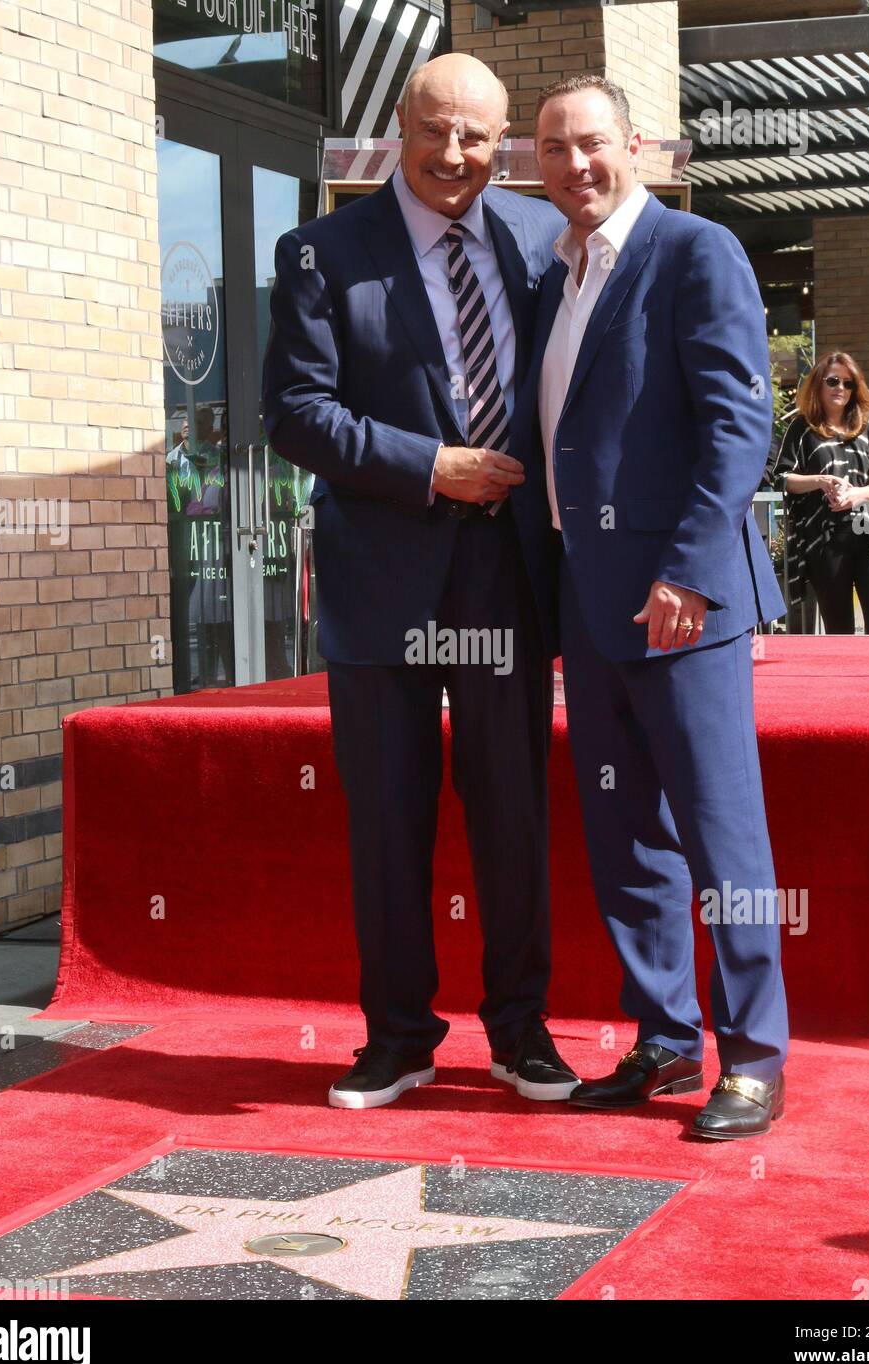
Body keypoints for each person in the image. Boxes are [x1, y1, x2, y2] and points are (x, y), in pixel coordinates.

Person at [262, 54, 577, 1109]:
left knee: (511, 814)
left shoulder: (544, 239)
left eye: (478, 137)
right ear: (399, 125)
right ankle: (396, 1036)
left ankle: (521, 1031)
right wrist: (427, 466)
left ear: (504, 145)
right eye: (436, 129)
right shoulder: (319, 252)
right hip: (383, 573)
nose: (455, 154)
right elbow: (294, 413)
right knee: (388, 817)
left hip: (507, 574)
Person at [511, 74, 789, 1140]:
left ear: (631, 145)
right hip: (589, 604)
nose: (572, 164)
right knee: (626, 831)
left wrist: (686, 570)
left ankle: (753, 1057)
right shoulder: (554, 275)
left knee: (723, 836)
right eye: (550, 150)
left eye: (588, 143)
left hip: (682, 604)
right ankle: (664, 1038)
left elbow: (735, 425)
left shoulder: (692, 253)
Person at [772, 353, 869, 635]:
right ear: (818, 384)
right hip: (825, 540)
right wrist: (820, 481)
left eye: (848, 383)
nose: (840, 388)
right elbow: (781, 479)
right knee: (839, 631)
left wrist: (860, 494)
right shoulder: (802, 429)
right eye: (833, 381)